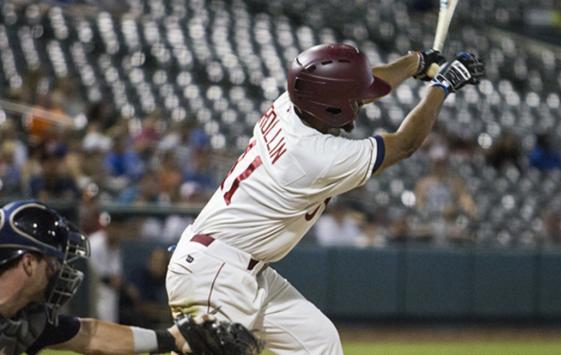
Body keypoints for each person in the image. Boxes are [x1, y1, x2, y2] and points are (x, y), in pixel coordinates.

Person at [166, 43, 484, 354]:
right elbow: (404, 145)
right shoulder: (313, 156)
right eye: (352, 100)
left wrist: (415, 62)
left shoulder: (289, 104)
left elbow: (360, 87)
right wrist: (443, 85)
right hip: (216, 272)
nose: (359, 104)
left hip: (235, 265)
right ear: (331, 105)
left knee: (319, 342)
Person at [0, 200, 261, 355]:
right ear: (29, 263)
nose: (58, 272)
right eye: (53, 263)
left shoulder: (25, 318)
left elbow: (92, 336)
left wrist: (171, 338)